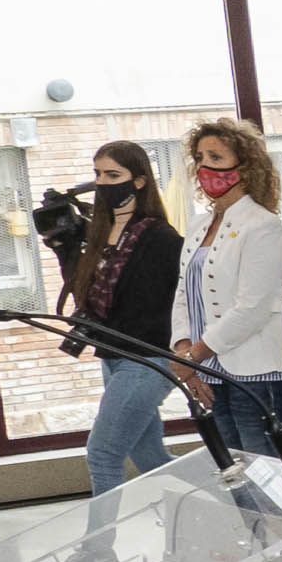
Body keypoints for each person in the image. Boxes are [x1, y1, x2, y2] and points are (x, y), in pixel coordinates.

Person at [166, 120, 282, 562]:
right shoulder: (197, 224)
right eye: (202, 159)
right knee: (239, 491)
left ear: (244, 166)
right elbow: (183, 296)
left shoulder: (262, 225)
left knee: (272, 495)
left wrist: (200, 352)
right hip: (211, 371)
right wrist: (182, 348)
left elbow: (255, 306)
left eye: (218, 159)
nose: (208, 169)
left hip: (257, 373)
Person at [66, 139, 183, 492]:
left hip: (147, 358)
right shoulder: (100, 234)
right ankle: (236, 498)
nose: (103, 182)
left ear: (139, 181)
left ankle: (101, 548)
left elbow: (165, 303)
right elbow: (85, 296)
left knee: (103, 454)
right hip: (113, 357)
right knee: (150, 458)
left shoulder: (161, 237)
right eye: (98, 173)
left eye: (113, 174)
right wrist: (66, 249)